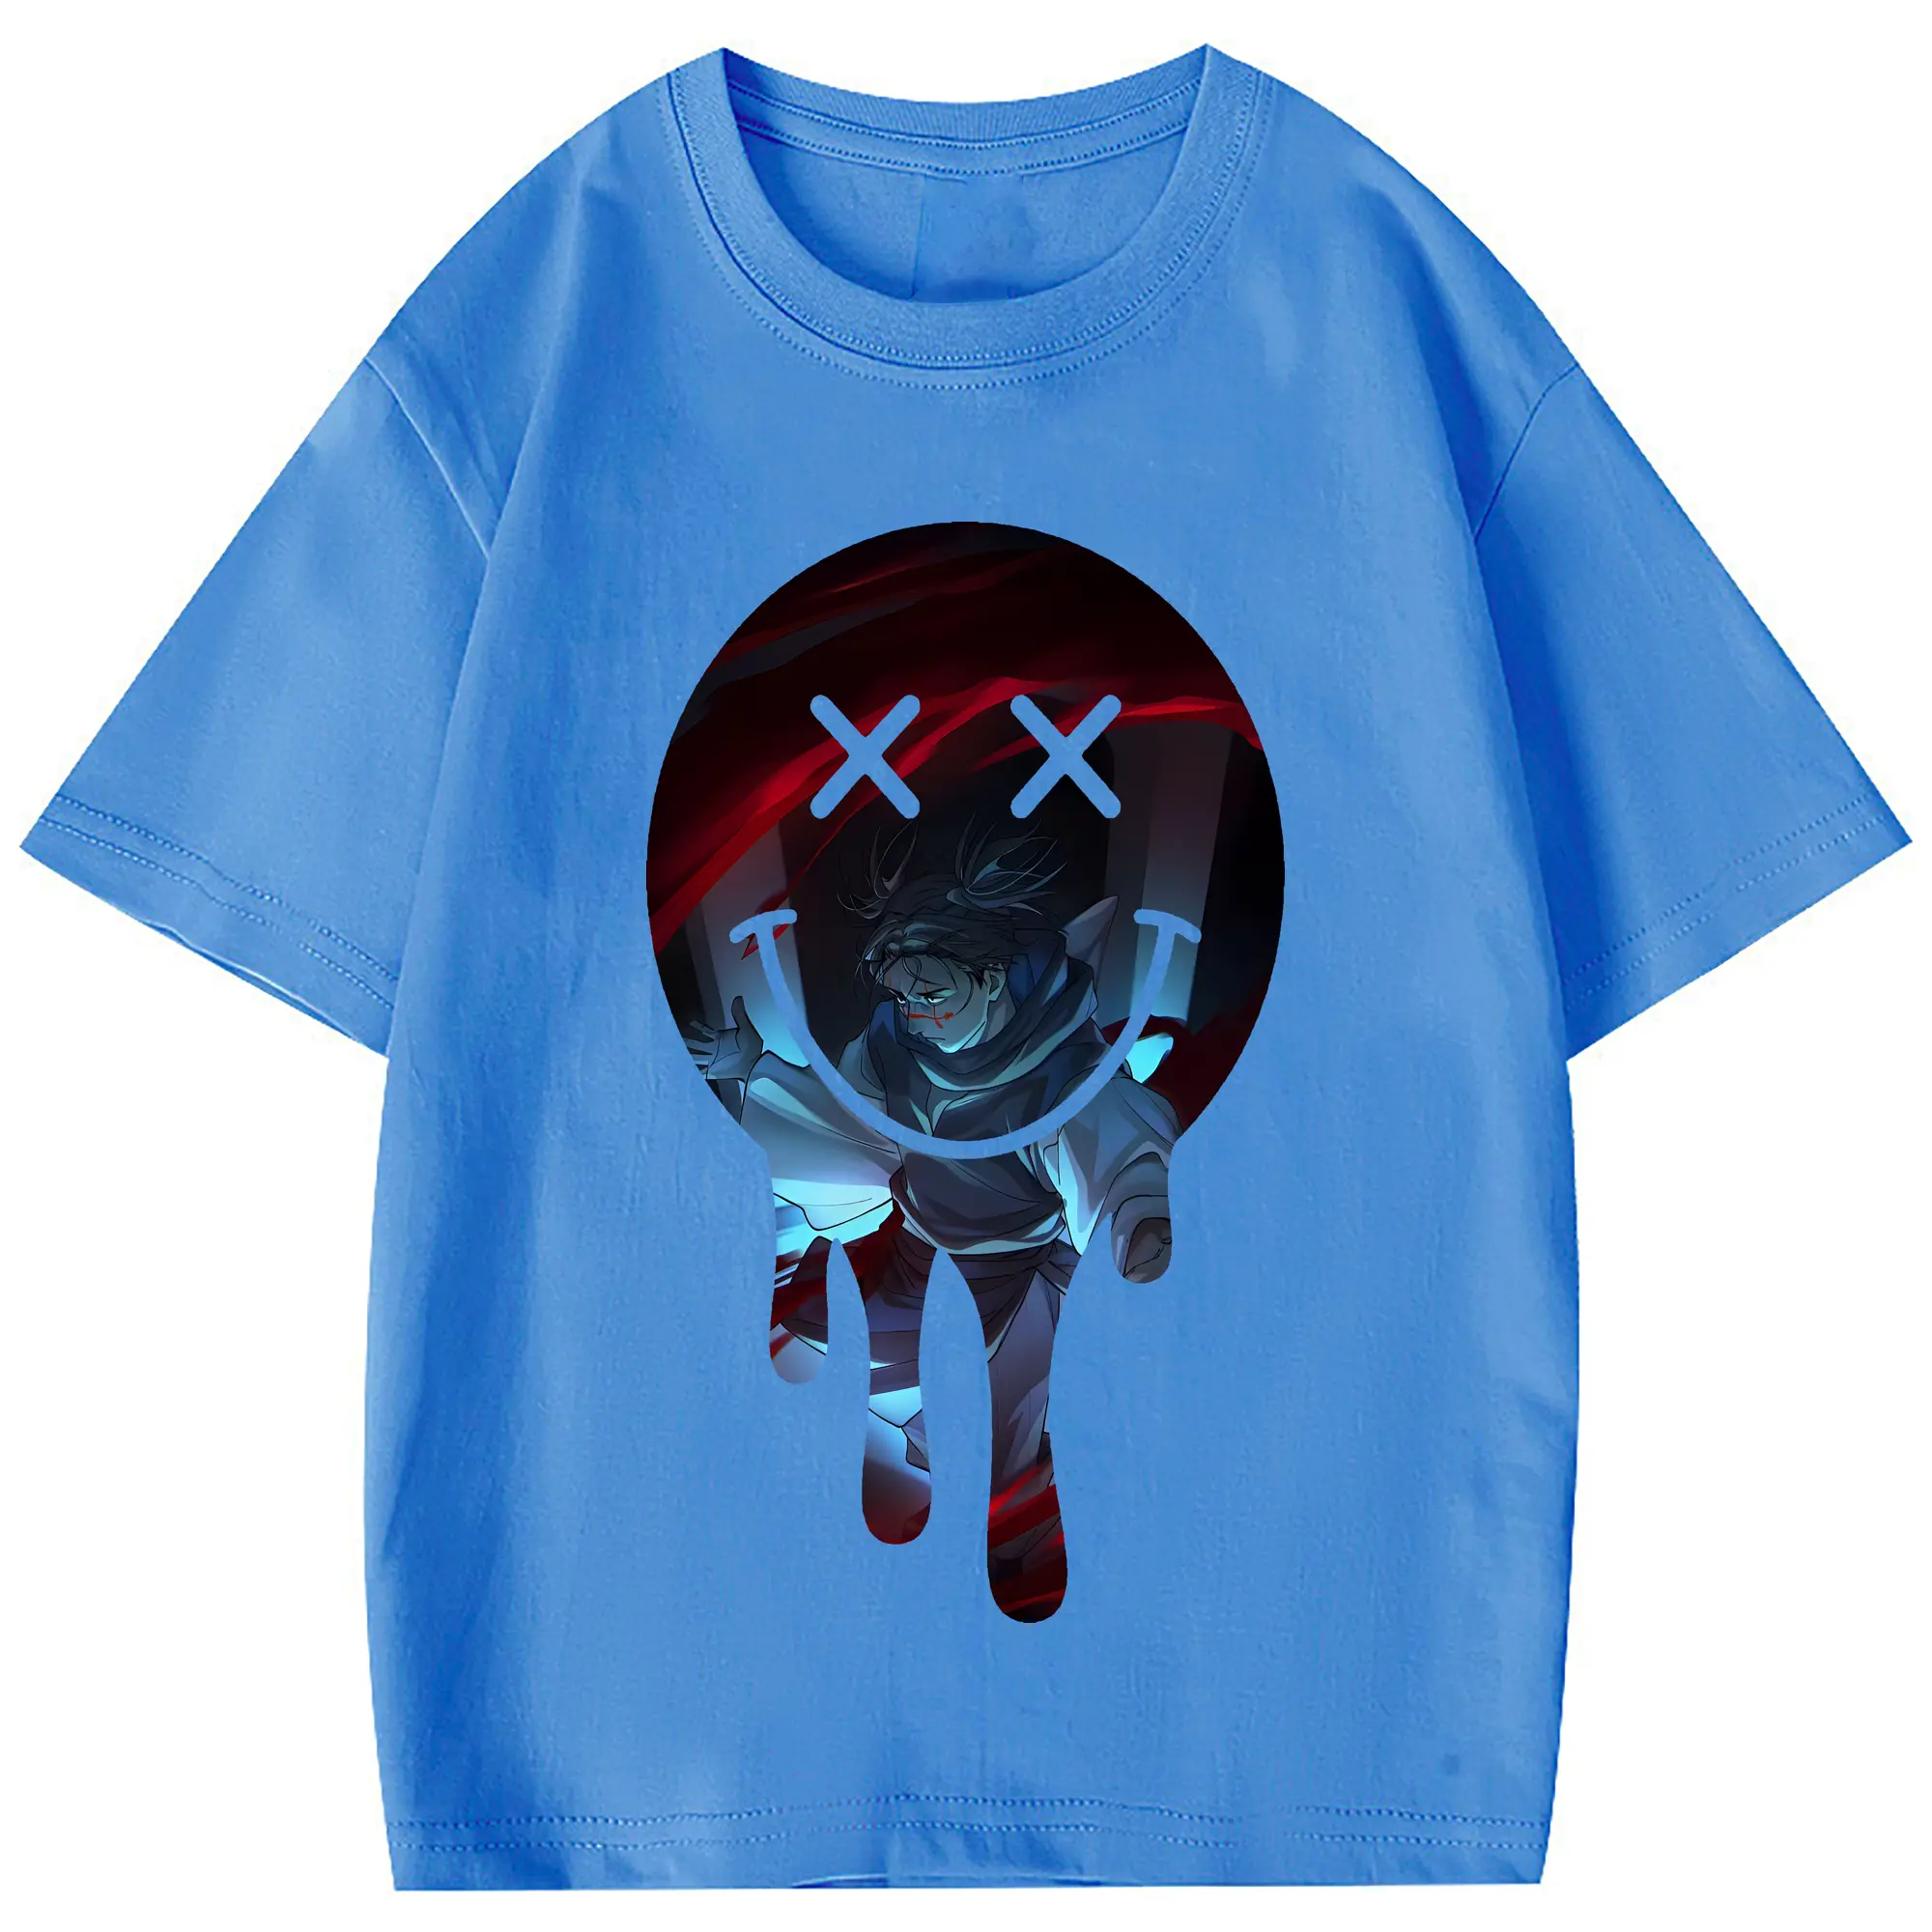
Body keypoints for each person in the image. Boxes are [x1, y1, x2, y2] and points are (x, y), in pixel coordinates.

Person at [683, 827, 1177, 1618]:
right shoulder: (892, 1046)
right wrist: (758, 1071)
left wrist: (1138, 1216)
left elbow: (1112, 1141)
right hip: (915, 1252)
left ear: (990, 976)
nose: (915, 1013)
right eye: (903, 999)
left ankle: (1021, 1559)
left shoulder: (1060, 1068)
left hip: (1019, 1271)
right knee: (860, 1376)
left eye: (932, 994)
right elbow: (848, 1124)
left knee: (1009, 1429)